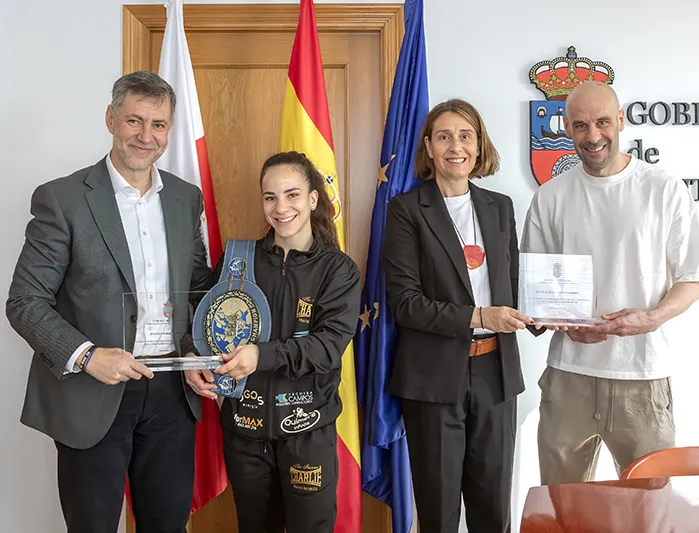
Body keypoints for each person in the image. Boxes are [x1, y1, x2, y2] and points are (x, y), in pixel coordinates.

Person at [6, 71, 210, 532]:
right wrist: (88, 356)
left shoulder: (185, 198)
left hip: (172, 393)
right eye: (134, 121)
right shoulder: (61, 199)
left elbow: (196, 288)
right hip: (92, 393)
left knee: (167, 524)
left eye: (158, 125)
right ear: (110, 119)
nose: (145, 136)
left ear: (169, 129)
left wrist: (198, 349)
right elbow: (25, 301)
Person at [520, 81, 699, 485]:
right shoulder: (550, 197)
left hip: (643, 377)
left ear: (620, 121)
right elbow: (536, 290)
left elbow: (692, 280)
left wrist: (654, 318)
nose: (593, 136)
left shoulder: (664, 189)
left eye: (603, 122)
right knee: (562, 508)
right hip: (569, 376)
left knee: (651, 508)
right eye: (580, 125)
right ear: (566, 128)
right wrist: (562, 322)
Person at [383, 99, 539, 533]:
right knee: (438, 511)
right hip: (433, 378)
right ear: (429, 147)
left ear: (479, 144)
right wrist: (480, 315)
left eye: (465, 136)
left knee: (493, 509)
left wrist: (547, 313)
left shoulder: (500, 206)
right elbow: (406, 304)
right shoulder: (406, 211)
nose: (456, 146)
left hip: (496, 373)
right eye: (445, 136)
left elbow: (514, 284)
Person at [184, 151, 361, 533]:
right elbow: (199, 319)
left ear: (313, 199)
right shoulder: (237, 260)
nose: (281, 208)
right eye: (270, 197)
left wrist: (260, 356)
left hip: (306, 430)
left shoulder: (338, 269)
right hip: (244, 430)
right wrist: (192, 356)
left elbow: (327, 348)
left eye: (292, 195)